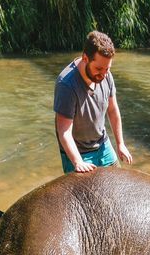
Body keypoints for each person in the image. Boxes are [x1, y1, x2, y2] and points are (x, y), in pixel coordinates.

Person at [53, 30, 133, 173]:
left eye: (107, 69)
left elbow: (113, 110)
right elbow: (63, 131)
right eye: (99, 69)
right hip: (78, 152)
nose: (103, 75)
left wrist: (120, 144)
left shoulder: (106, 75)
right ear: (85, 58)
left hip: (102, 145)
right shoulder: (66, 84)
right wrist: (78, 162)